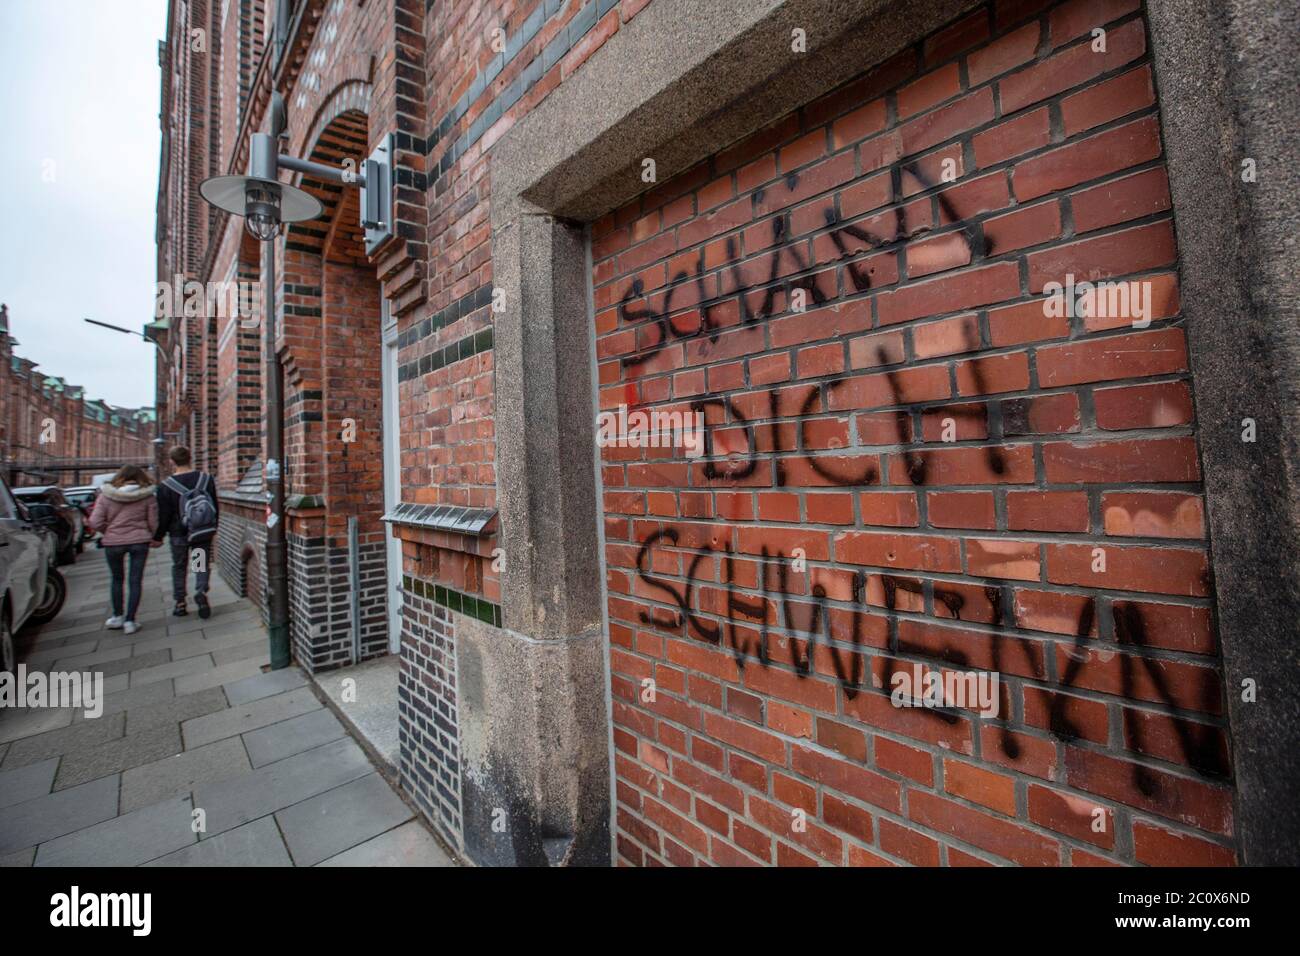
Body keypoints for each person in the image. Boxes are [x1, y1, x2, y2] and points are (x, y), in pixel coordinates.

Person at [88, 465, 161, 635]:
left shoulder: (105, 496)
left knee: (116, 579)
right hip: (139, 541)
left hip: (113, 543)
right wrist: (152, 535)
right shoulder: (147, 497)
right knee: (135, 581)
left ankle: (117, 616)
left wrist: (109, 531)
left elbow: (95, 522)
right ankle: (130, 620)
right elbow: (154, 523)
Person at [153, 445, 220, 619]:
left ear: (172, 461)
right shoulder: (205, 479)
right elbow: (214, 505)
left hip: (178, 533)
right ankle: (201, 591)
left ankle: (180, 603)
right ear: (190, 458)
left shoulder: (165, 486)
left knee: (179, 566)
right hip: (201, 531)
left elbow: (164, 515)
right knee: (200, 564)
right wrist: (214, 526)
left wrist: (158, 536)